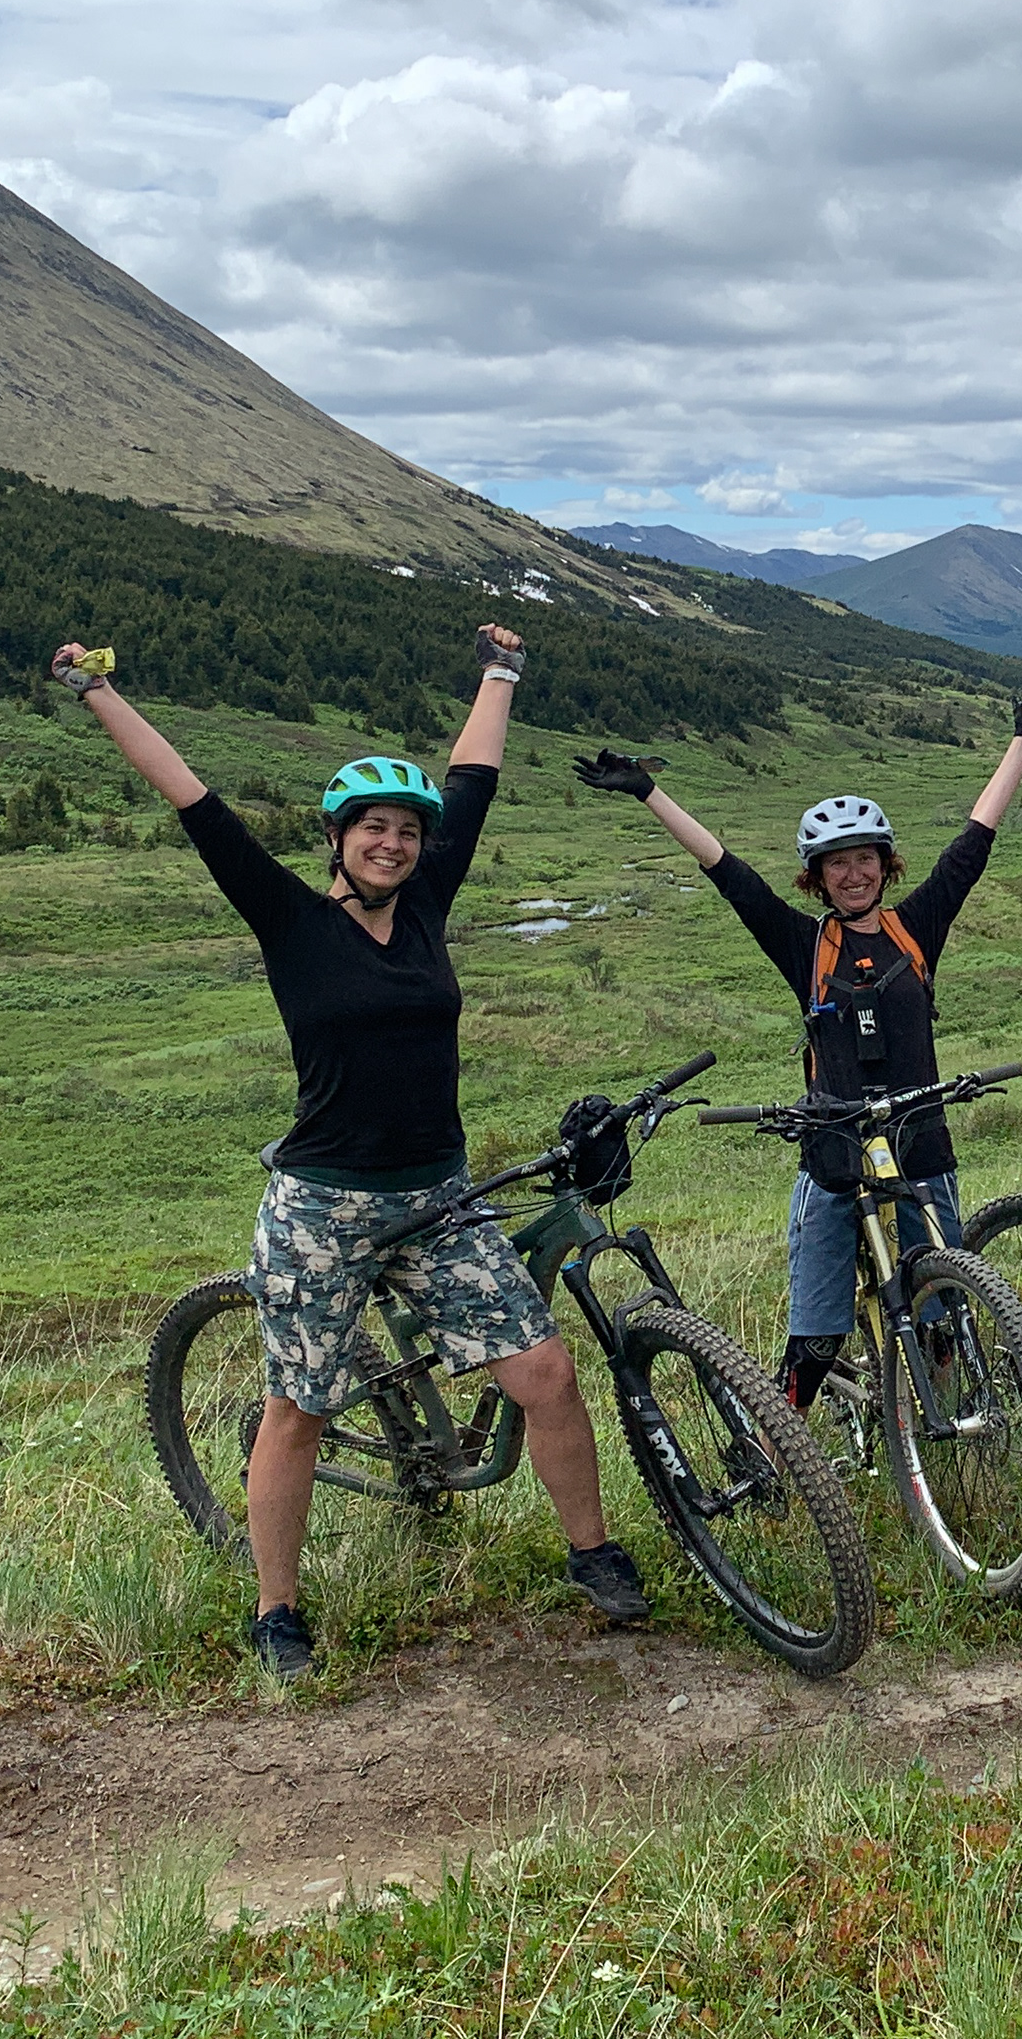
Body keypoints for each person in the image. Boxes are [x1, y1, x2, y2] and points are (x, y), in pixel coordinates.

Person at [64, 623, 644, 1678]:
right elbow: (193, 800)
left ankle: (592, 1553)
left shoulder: (425, 906)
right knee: (301, 1409)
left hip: (437, 1195)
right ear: (337, 839)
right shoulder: (290, 920)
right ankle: (276, 1610)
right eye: (372, 828)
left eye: (405, 833)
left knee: (548, 1373)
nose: (394, 843)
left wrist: (501, 672)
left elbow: (473, 778)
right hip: (323, 1206)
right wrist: (97, 693)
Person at [572, 702, 1022, 1408]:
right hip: (834, 1152)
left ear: (886, 865)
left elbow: (974, 843)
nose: (853, 875)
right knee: (816, 1338)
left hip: (920, 1144)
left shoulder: (916, 930)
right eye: (836, 865)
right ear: (817, 879)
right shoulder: (805, 946)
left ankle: (937, 1422)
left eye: (865, 859)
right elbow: (730, 875)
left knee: (943, 1313)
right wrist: (649, 792)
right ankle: (779, 1442)